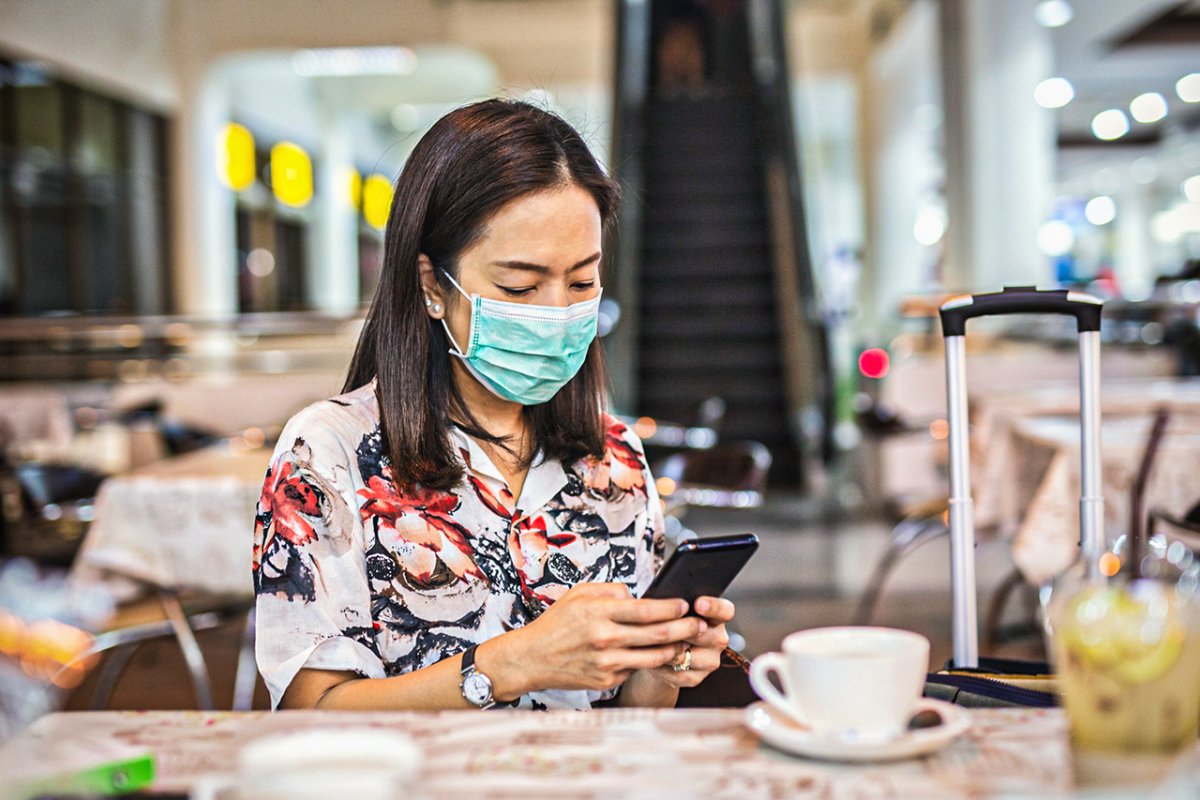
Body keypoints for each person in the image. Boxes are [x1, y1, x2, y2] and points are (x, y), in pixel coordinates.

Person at [253, 99, 736, 711]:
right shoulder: (330, 453)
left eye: (582, 282)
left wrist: (664, 668)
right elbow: (308, 720)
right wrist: (514, 664)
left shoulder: (614, 461)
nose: (558, 313)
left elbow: (625, 718)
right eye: (519, 287)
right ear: (432, 286)